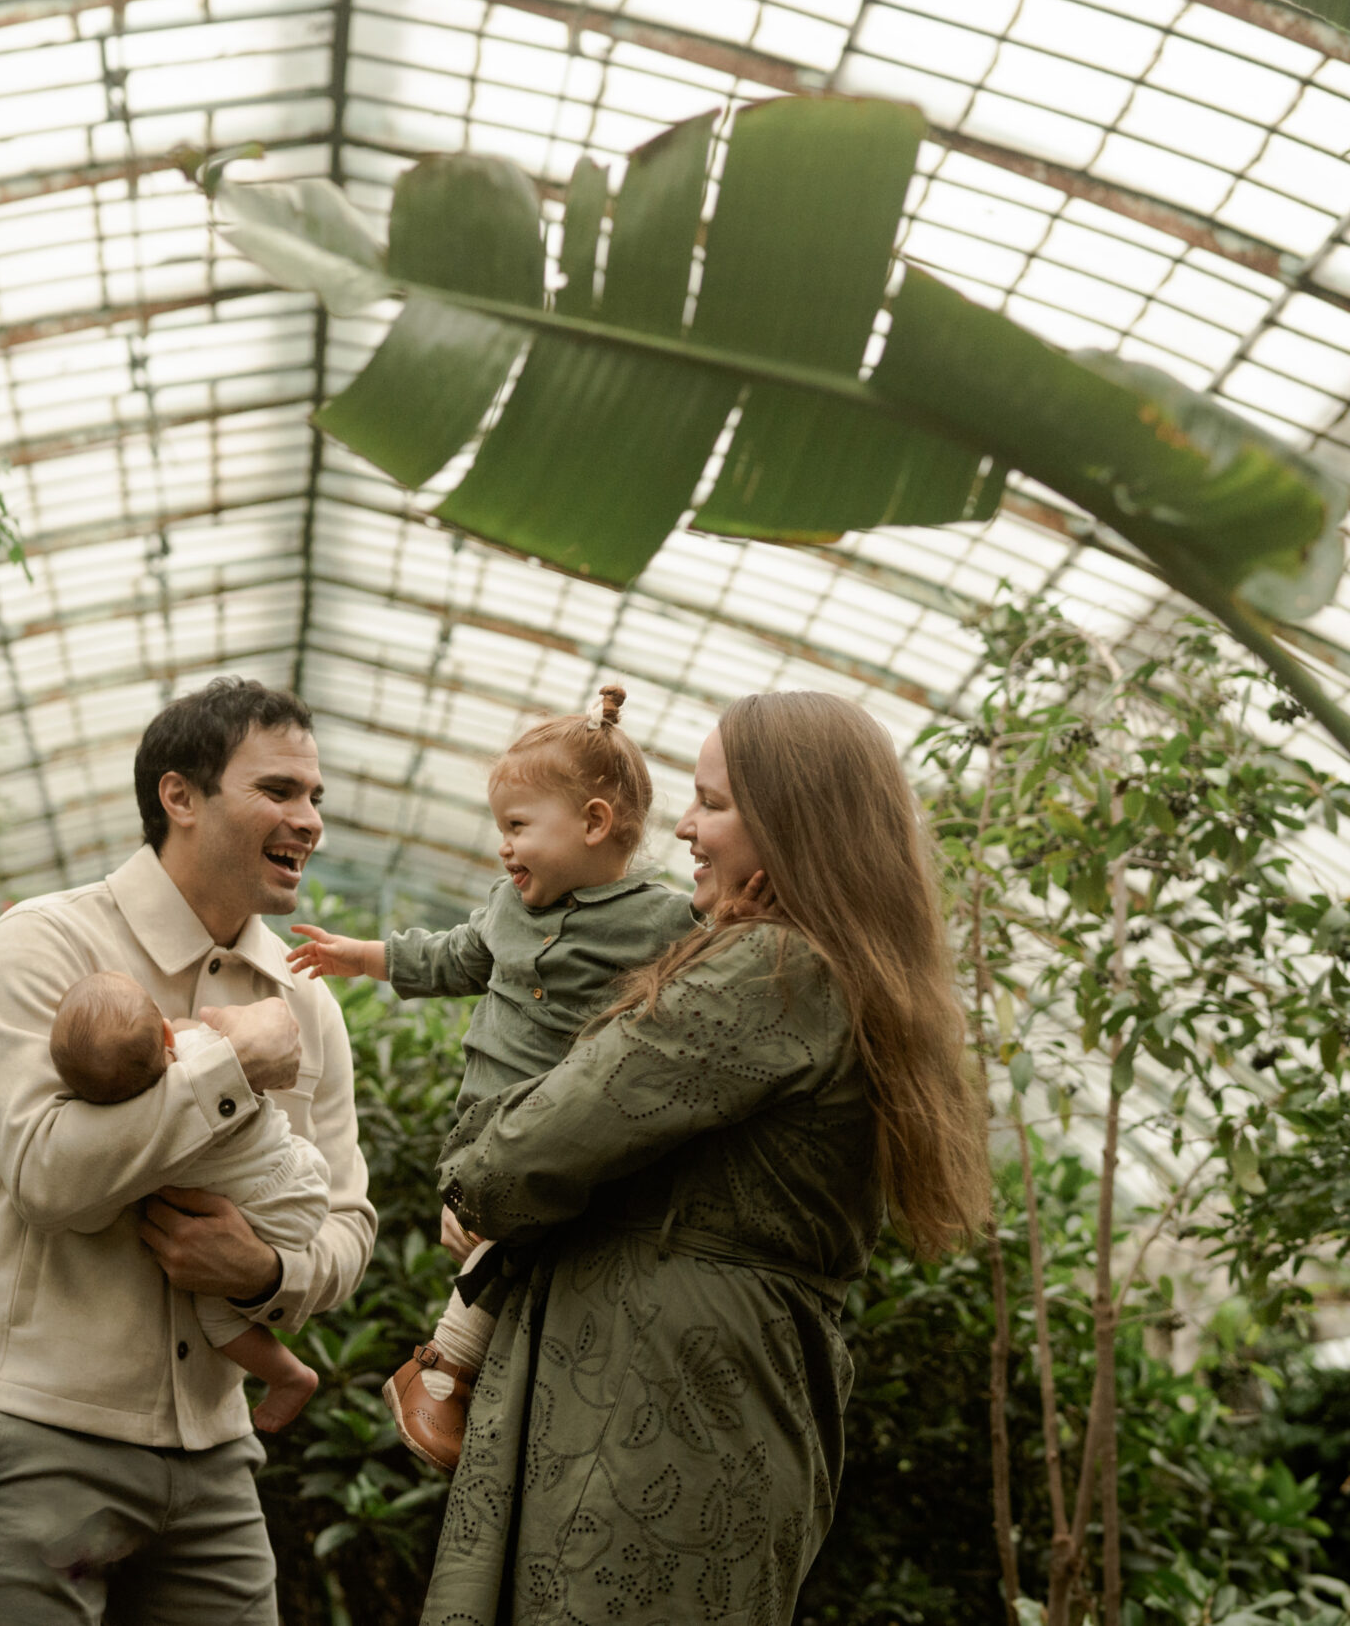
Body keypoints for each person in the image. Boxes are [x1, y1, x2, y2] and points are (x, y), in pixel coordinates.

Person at [418, 691, 994, 1626]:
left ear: (793, 822)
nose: (682, 827)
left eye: (712, 803)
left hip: (649, 1406)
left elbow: (509, 1161)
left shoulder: (770, 969)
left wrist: (479, 1159)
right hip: (722, 1397)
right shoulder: (837, 972)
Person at [0, 678, 375, 1625]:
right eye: (280, 790)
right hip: (36, 1438)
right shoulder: (41, 944)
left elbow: (346, 1222)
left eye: (316, 797)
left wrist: (267, 1271)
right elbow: (49, 1176)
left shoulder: (309, 1005)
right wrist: (229, 1057)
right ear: (180, 797)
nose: (310, 820)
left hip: (215, 1458)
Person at [283, 686, 694, 1470]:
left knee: (538, 1251)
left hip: (569, 1134)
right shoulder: (508, 906)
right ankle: (445, 1371)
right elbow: (451, 956)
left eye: (517, 826)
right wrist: (357, 955)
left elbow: (720, 964)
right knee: (503, 1243)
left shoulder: (663, 919)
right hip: (487, 1128)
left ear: (595, 824)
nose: (503, 847)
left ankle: (447, 1370)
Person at [46, 969, 327, 1432]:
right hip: (296, 1172)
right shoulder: (206, 1055)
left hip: (269, 1207)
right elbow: (207, 1034)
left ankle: (290, 1377)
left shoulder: (131, 1142)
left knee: (214, 1315)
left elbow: (90, 1220)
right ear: (164, 1031)